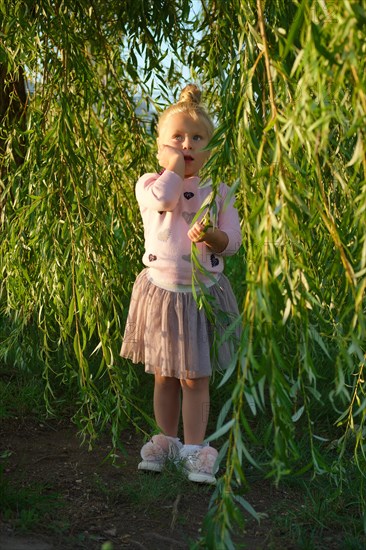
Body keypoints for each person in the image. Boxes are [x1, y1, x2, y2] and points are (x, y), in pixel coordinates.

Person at [120, 84, 241, 484]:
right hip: (162, 294)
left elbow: (233, 241)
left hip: (201, 297)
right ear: (159, 146)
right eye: (177, 137)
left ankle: (194, 447)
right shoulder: (150, 183)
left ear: (210, 148)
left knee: (195, 376)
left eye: (196, 138)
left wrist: (213, 237)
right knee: (164, 374)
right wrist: (172, 168)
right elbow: (165, 201)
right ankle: (166, 439)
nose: (186, 143)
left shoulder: (219, 192)